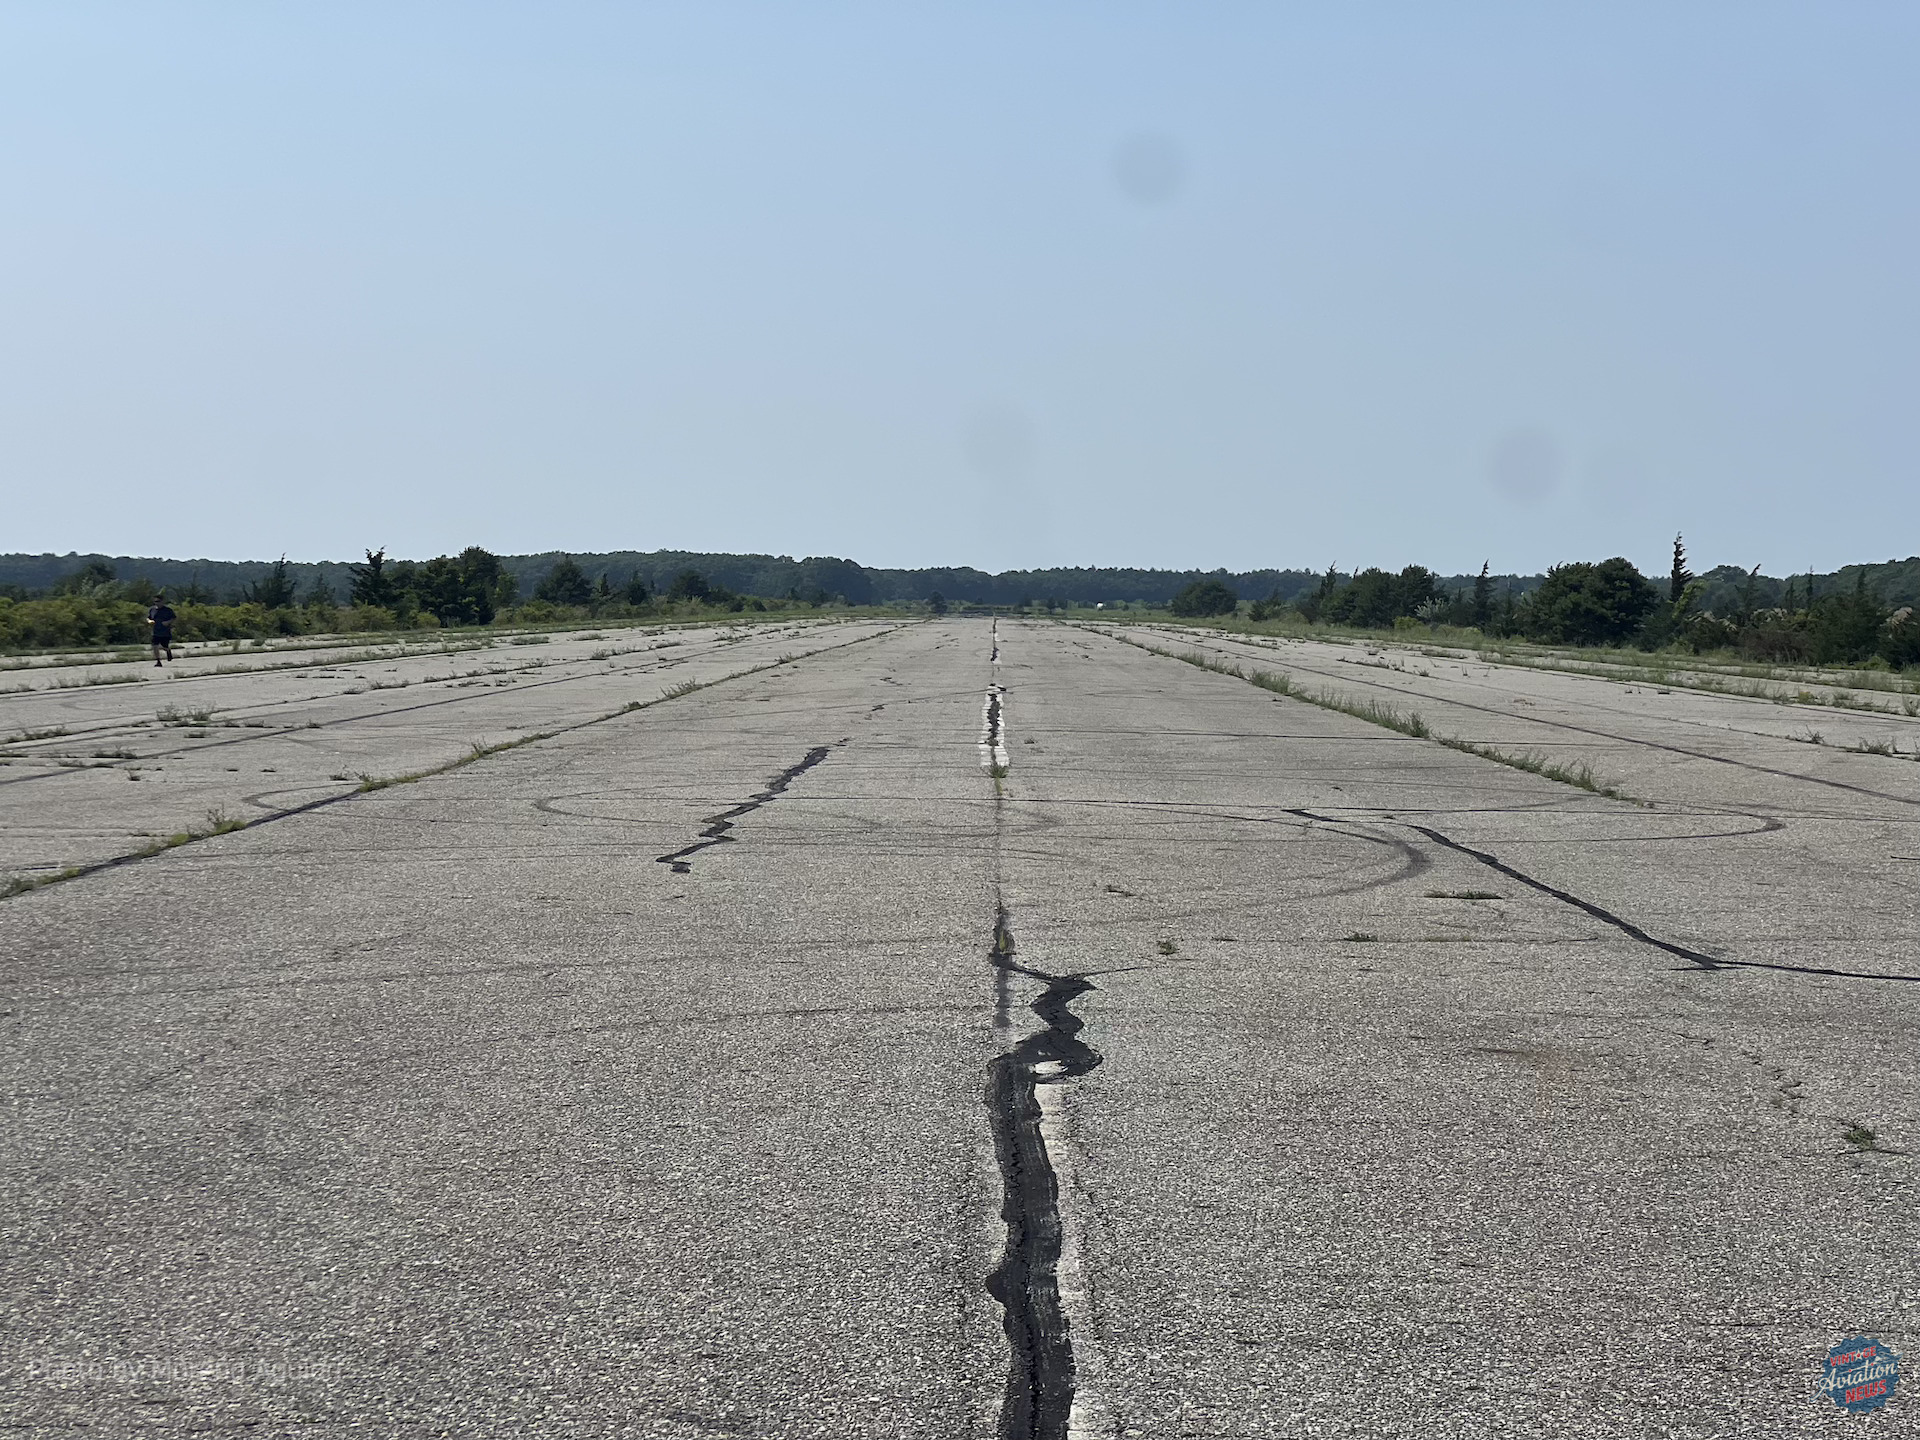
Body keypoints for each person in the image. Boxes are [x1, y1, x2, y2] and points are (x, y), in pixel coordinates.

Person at [147, 593, 177, 666]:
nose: (157, 603)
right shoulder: (152, 610)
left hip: (165, 632)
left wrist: (168, 622)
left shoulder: (168, 610)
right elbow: (148, 617)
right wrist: (149, 621)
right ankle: (158, 661)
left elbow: (174, 618)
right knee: (155, 646)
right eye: (155, 601)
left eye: (158, 601)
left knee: (164, 647)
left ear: (162, 601)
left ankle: (168, 651)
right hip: (155, 631)